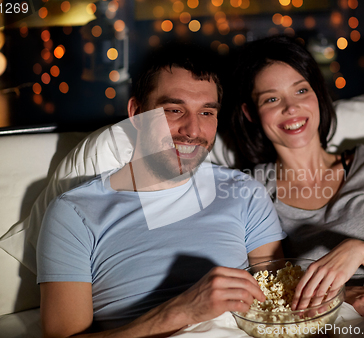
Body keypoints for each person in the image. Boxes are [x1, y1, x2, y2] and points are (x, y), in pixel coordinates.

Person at [37, 44, 286, 338]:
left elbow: (280, 307)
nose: (193, 130)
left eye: (206, 112)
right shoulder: (75, 214)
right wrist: (180, 312)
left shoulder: (245, 192)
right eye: (174, 110)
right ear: (136, 113)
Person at [230, 35, 364, 324]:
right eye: (272, 99)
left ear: (317, 93)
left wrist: (357, 250)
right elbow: (270, 288)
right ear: (250, 112)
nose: (291, 108)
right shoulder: (253, 189)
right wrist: (343, 294)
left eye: (301, 91)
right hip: (322, 320)